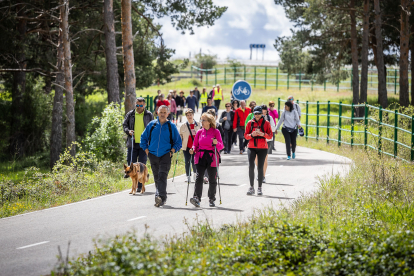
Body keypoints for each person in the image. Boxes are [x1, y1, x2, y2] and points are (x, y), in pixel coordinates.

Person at [140, 106, 182, 207]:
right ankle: (162, 198)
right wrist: (146, 151)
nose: (162, 114)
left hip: (166, 155)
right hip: (153, 154)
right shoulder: (152, 125)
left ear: (167, 114)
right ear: (157, 113)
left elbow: (178, 142)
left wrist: (172, 151)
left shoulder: (171, 126)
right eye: (161, 112)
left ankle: (159, 196)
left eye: (164, 112)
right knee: (156, 176)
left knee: (162, 175)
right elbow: (143, 138)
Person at [189, 113, 224, 207]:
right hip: (200, 157)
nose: (201, 122)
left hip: (212, 158)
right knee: (199, 177)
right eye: (201, 120)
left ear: (209, 122)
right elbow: (195, 144)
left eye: (203, 120)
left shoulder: (216, 132)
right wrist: (192, 149)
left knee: (212, 179)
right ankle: (196, 198)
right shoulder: (200, 132)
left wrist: (216, 143)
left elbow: (221, 146)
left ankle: (211, 199)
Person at [122, 97, 154, 193]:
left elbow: (153, 127)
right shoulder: (130, 114)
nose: (139, 107)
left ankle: (140, 186)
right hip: (132, 143)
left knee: (141, 164)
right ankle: (134, 186)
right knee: (131, 163)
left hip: (144, 144)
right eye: (137, 105)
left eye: (141, 105)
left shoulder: (149, 115)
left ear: (144, 105)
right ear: (135, 104)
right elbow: (124, 125)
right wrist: (128, 131)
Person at [244, 106, 272, 196]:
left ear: (262, 114)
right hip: (251, 147)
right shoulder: (250, 123)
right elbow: (246, 136)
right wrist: (252, 134)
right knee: (251, 166)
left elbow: (270, 136)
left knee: (260, 167)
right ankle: (251, 187)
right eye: (255, 113)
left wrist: (262, 134)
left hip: (263, 148)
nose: (257, 115)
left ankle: (259, 188)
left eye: (258, 113)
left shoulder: (266, 123)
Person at [179, 109, 200, 182]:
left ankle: (195, 174)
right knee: (187, 161)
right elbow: (180, 136)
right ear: (186, 116)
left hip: (196, 147)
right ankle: (188, 176)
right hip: (186, 147)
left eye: (190, 115)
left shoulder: (198, 124)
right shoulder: (183, 126)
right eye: (188, 115)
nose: (189, 116)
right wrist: (179, 144)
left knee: (195, 161)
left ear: (193, 115)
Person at [261, 105, 276, 183]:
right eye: (262, 112)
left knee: (265, 158)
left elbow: (274, 128)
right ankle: (260, 172)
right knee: (258, 159)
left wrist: (268, 127)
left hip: (268, 140)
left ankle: (263, 175)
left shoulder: (270, 118)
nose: (263, 113)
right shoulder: (257, 118)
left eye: (265, 112)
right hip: (259, 140)